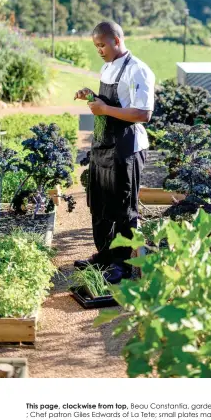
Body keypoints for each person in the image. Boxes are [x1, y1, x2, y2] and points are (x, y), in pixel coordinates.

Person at [73, 21, 155, 281]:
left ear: (117, 41)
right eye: (96, 46)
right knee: (99, 203)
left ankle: (121, 264)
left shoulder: (138, 71)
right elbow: (108, 102)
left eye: (102, 45)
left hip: (126, 149)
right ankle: (104, 256)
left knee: (122, 208)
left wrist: (105, 109)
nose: (99, 50)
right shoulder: (107, 66)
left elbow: (143, 113)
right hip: (103, 145)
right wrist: (91, 97)